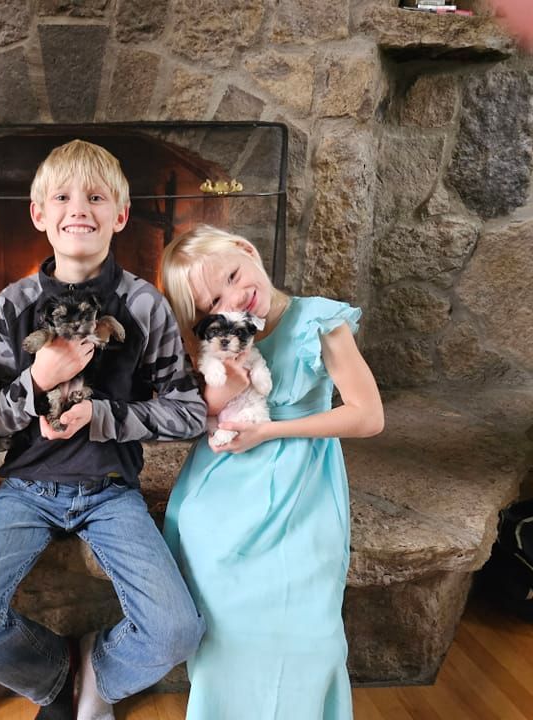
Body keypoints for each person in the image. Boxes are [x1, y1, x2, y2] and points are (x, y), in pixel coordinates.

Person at [0, 139, 208, 720]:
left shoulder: (143, 304)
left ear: (121, 216)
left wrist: (104, 417)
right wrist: (37, 379)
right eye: (63, 197)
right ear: (40, 215)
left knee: (177, 631)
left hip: (111, 489)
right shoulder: (12, 303)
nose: (79, 208)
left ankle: (100, 672)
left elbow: (189, 412)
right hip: (25, 488)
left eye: (96, 197)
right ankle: (54, 674)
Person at [160, 225, 385, 719]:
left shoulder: (319, 320)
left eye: (235, 276)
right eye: (213, 302)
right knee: (225, 637)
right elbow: (186, 414)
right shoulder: (222, 345)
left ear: (248, 250)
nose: (235, 297)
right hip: (222, 491)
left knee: (311, 636)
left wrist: (270, 432)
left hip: (301, 486)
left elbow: (369, 416)